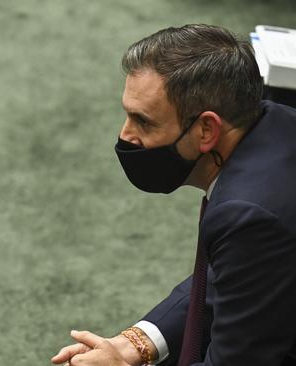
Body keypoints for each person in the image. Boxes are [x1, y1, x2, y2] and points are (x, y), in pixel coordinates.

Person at [51, 24, 296, 365]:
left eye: (144, 122)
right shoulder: (275, 118)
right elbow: (245, 275)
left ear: (207, 129)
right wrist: (134, 345)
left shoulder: (249, 214)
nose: (126, 136)